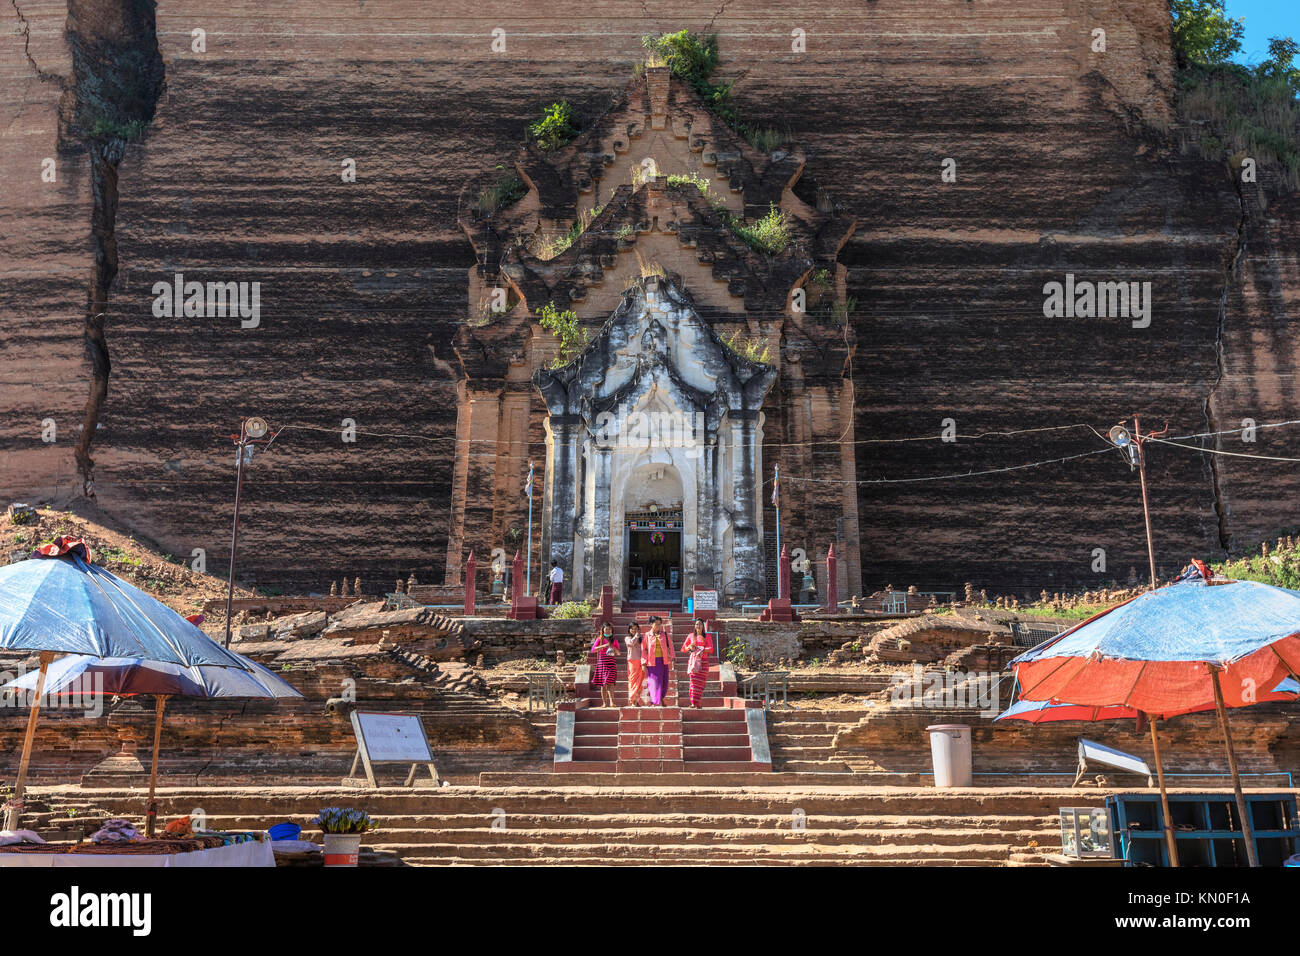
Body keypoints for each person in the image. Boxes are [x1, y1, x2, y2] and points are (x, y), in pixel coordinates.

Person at [682, 618, 712, 708]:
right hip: (693, 662)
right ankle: (693, 702)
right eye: (696, 624)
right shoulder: (690, 636)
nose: (698, 626)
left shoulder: (707, 636)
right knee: (693, 683)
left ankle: (697, 703)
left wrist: (699, 648)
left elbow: (711, 649)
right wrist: (690, 647)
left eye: (700, 624)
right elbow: (683, 648)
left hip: (704, 662)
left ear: (703, 626)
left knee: (701, 684)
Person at [643, 617, 674, 706]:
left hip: (663, 661)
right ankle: (654, 701)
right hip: (652, 662)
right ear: (651, 624)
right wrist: (643, 662)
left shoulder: (664, 634)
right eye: (656, 623)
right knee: (654, 682)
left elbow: (670, 647)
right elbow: (644, 650)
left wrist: (673, 657)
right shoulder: (647, 635)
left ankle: (661, 698)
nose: (658, 625)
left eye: (659, 623)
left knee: (664, 681)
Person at [590, 623, 619, 708]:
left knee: (611, 683)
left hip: (611, 663)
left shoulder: (614, 640)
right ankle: (604, 703)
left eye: (609, 629)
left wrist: (614, 647)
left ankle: (612, 702)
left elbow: (618, 653)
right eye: (606, 629)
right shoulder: (600, 639)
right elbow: (593, 650)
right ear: (603, 630)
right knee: (603, 684)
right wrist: (604, 645)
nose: (608, 630)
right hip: (602, 663)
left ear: (612, 630)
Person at [625, 622, 647, 706]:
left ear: (639, 629)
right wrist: (637, 635)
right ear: (629, 630)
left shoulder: (642, 638)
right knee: (633, 680)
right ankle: (632, 698)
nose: (634, 630)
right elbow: (631, 643)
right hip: (632, 661)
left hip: (642, 661)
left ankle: (636, 700)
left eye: (636, 629)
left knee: (640, 681)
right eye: (632, 629)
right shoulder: (627, 638)